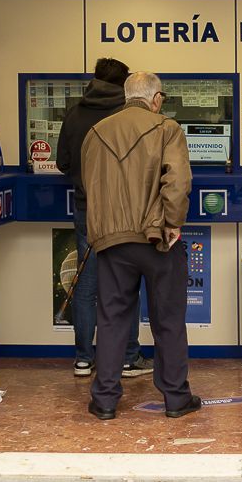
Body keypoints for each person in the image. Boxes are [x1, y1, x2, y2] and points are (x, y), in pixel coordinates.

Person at [81, 72, 200, 420]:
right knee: (169, 321)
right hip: (158, 238)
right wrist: (173, 223)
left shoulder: (96, 132)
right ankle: (176, 399)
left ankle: (104, 400)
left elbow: (90, 184)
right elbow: (177, 181)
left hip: (112, 240)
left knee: (113, 319)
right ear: (156, 98)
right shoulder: (167, 129)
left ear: (126, 97)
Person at [54, 58, 149, 380]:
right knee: (126, 284)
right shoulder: (126, 115)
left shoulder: (75, 112)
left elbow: (63, 162)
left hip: (86, 209)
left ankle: (83, 358)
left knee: (87, 285)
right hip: (125, 211)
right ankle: (128, 357)